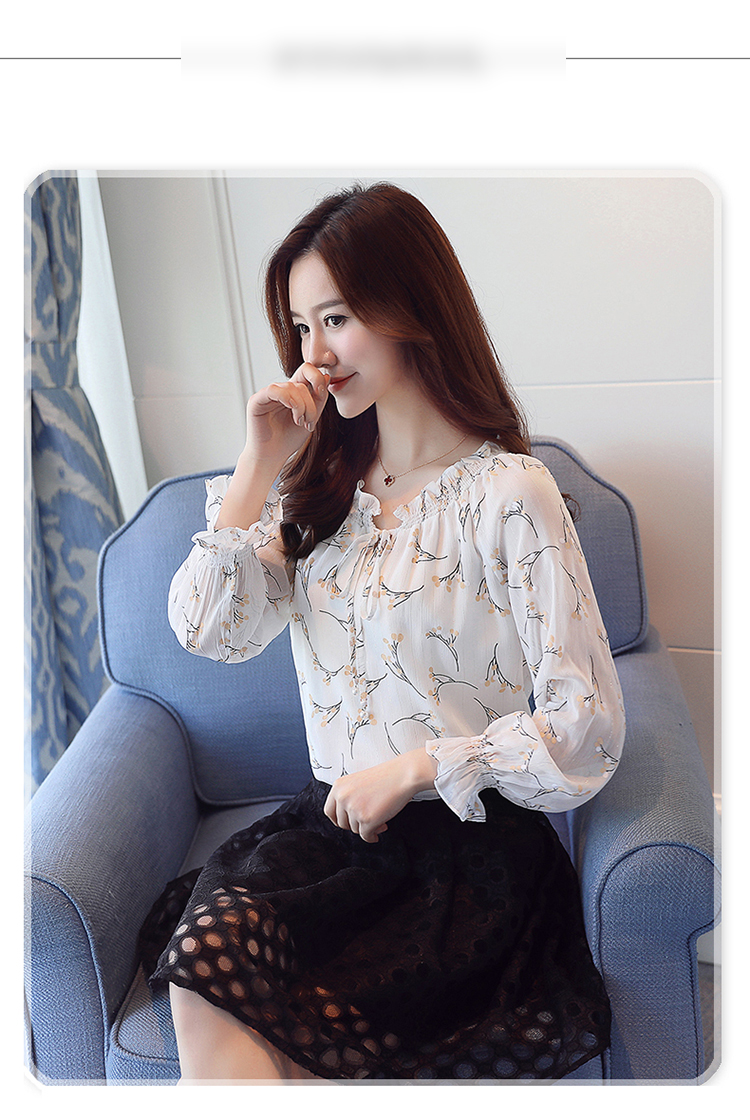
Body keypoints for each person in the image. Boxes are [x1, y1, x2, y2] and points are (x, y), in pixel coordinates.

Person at [141, 182, 626, 1083]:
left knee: (292, 1030)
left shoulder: (509, 494)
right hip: (331, 840)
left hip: (464, 859)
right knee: (207, 966)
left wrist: (415, 769)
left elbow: (586, 724)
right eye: (300, 328)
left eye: (337, 319)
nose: (314, 356)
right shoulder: (317, 499)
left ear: (412, 310)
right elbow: (206, 627)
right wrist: (258, 463)